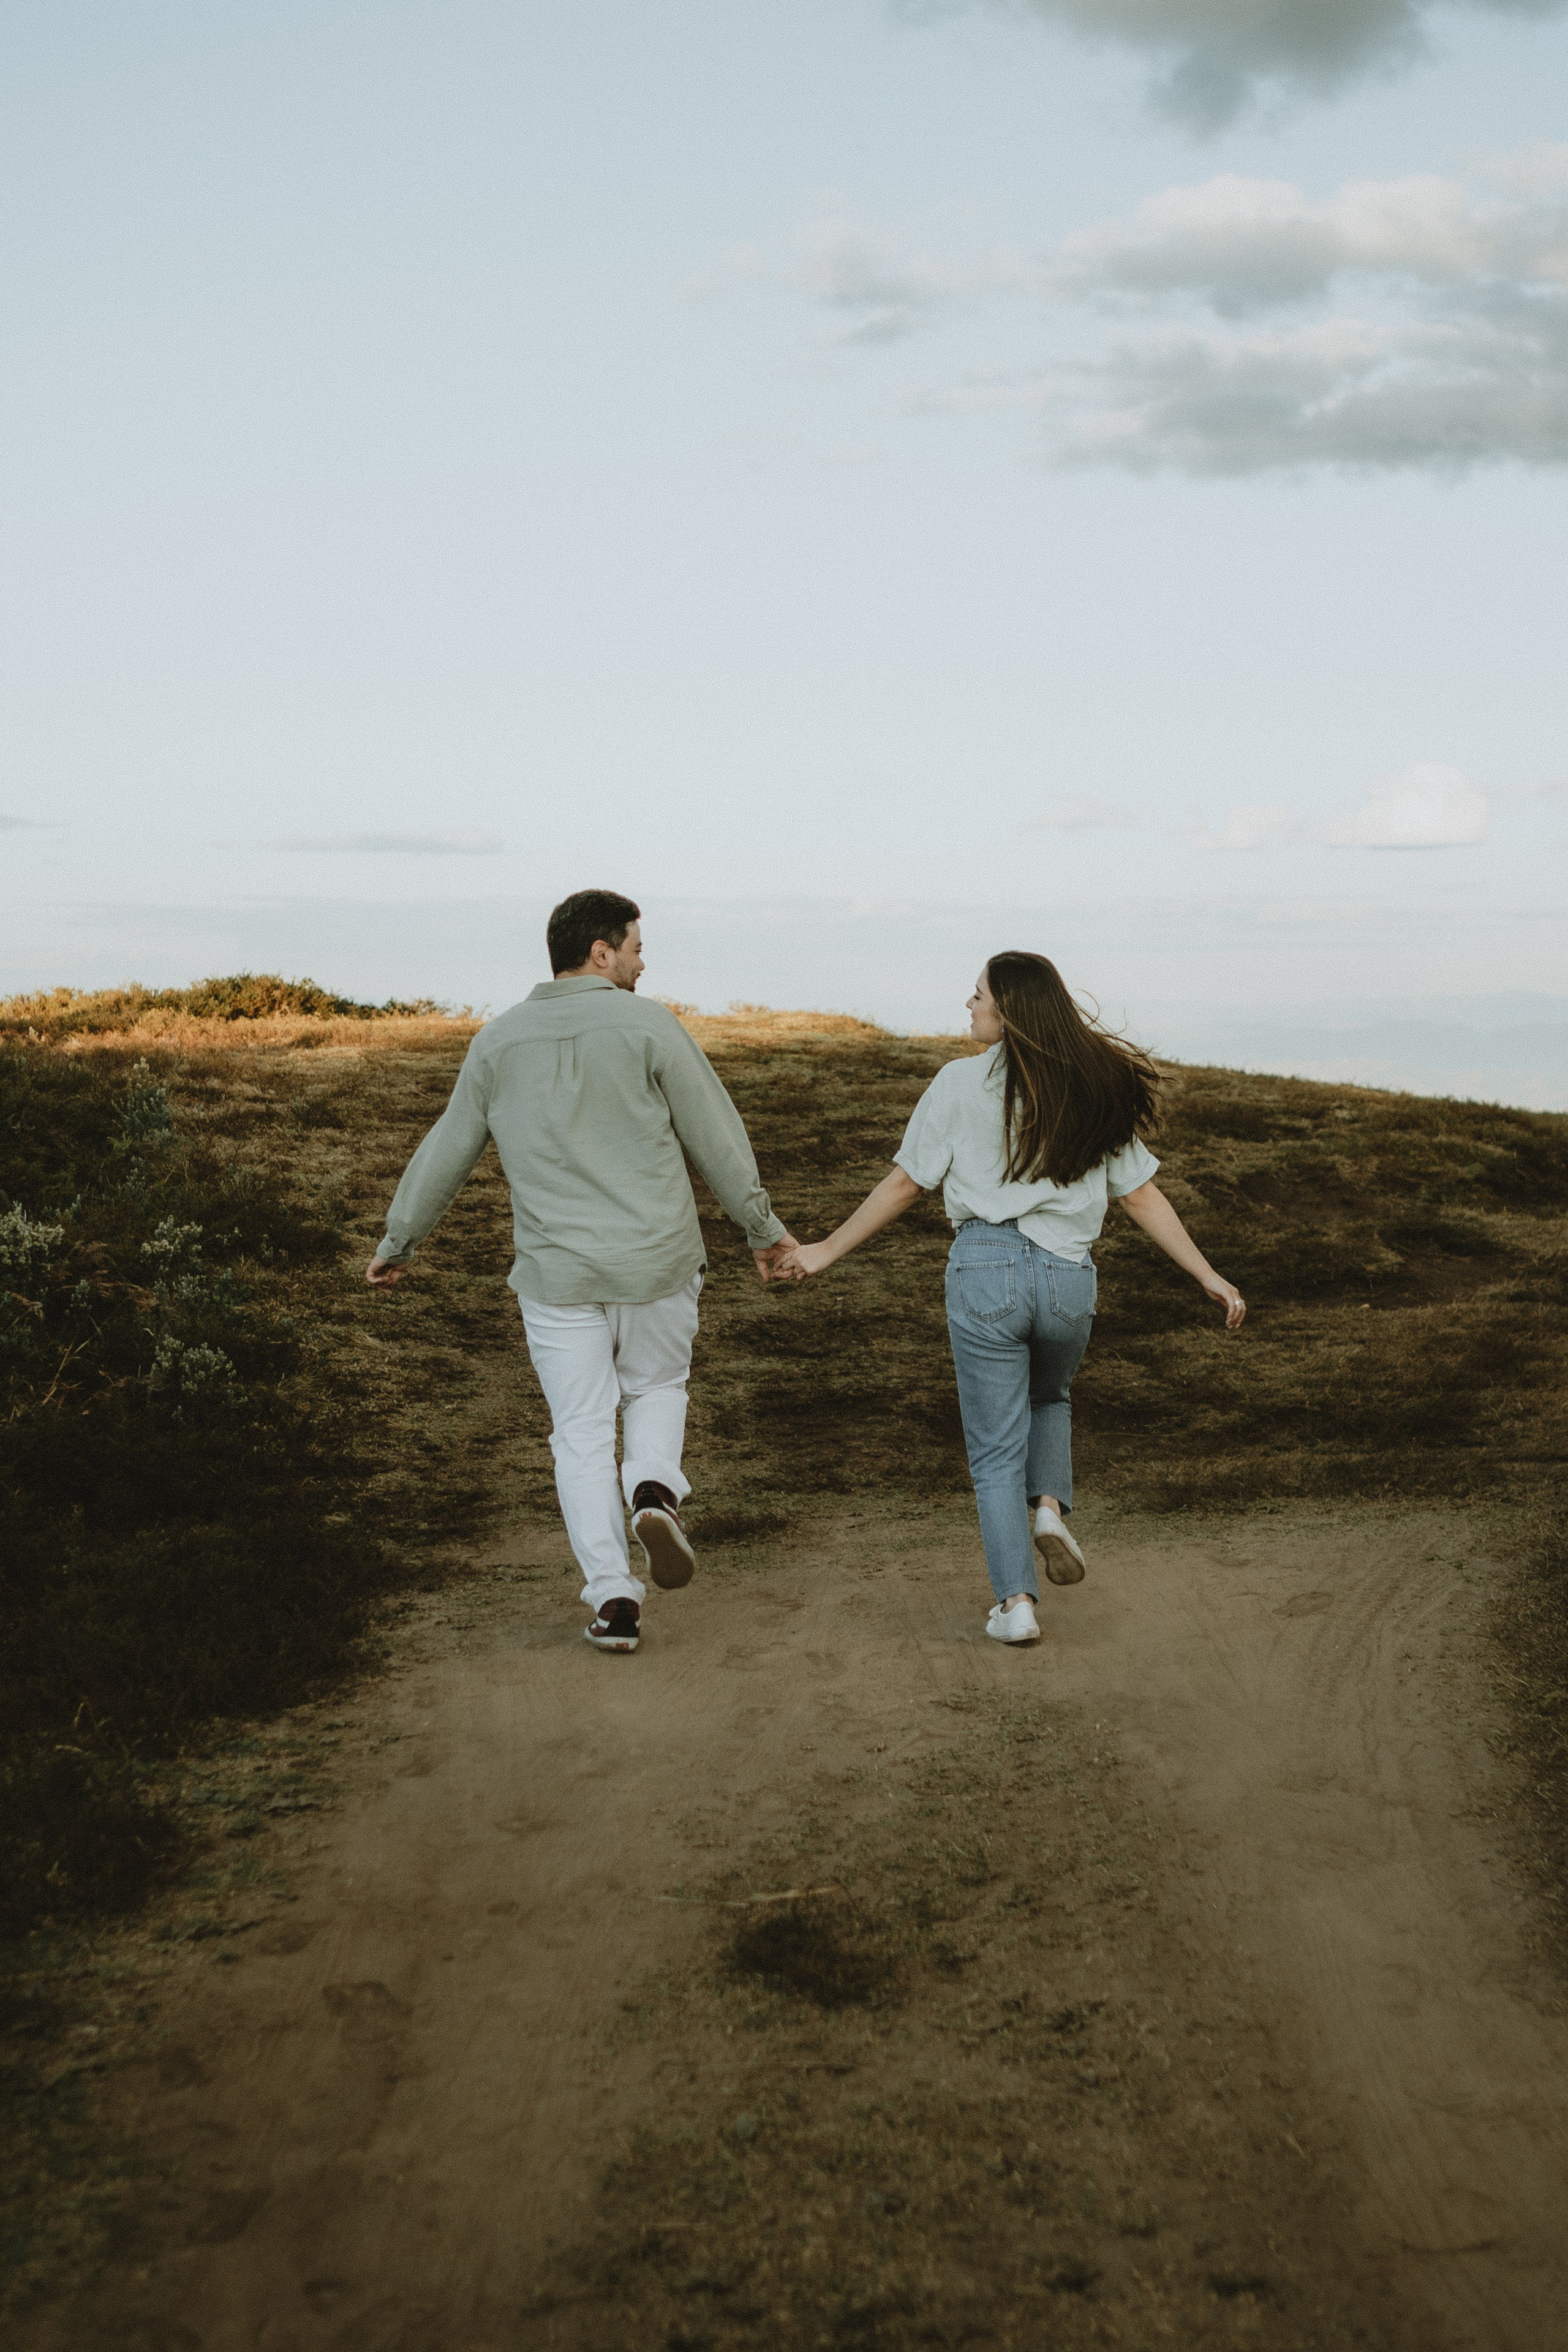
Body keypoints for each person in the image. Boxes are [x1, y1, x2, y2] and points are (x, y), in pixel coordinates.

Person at [366, 889, 798, 1655]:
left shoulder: (497, 1042)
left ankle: (613, 1600)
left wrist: (399, 1240)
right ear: (600, 951)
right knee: (657, 1388)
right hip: (658, 1262)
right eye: (635, 945)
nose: (642, 959)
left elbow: (448, 1148)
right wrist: (761, 1230)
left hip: (557, 1275)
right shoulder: (651, 1025)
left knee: (581, 1434)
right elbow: (716, 1136)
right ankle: (655, 1486)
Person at [776, 951, 1245, 1646]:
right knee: (1049, 1396)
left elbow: (906, 1184)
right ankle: (1050, 1508)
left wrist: (822, 1250)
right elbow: (1140, 1196)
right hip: (1067, 1280)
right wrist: (1207, 1273)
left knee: (995, 1455)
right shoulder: (1094, 1087)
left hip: (985, 1270)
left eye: (977, 996)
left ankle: (1016, 1606)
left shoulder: (958, 1083)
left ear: (1009, 1012)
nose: (968, 1006)